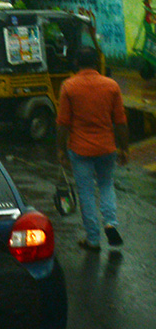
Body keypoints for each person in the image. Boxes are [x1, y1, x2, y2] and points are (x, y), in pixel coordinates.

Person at [56, 46, 129, 251]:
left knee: (86, 192)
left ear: (77, 63)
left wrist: (60, 150)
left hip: (80, 150)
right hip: (107, 147)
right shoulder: (111, 86)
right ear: (96, 63)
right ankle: (110, 223)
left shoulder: (69, 86)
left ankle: (93, 239)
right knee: (106, 185)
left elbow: (63, 123)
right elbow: (121, 121)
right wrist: (124, 148)